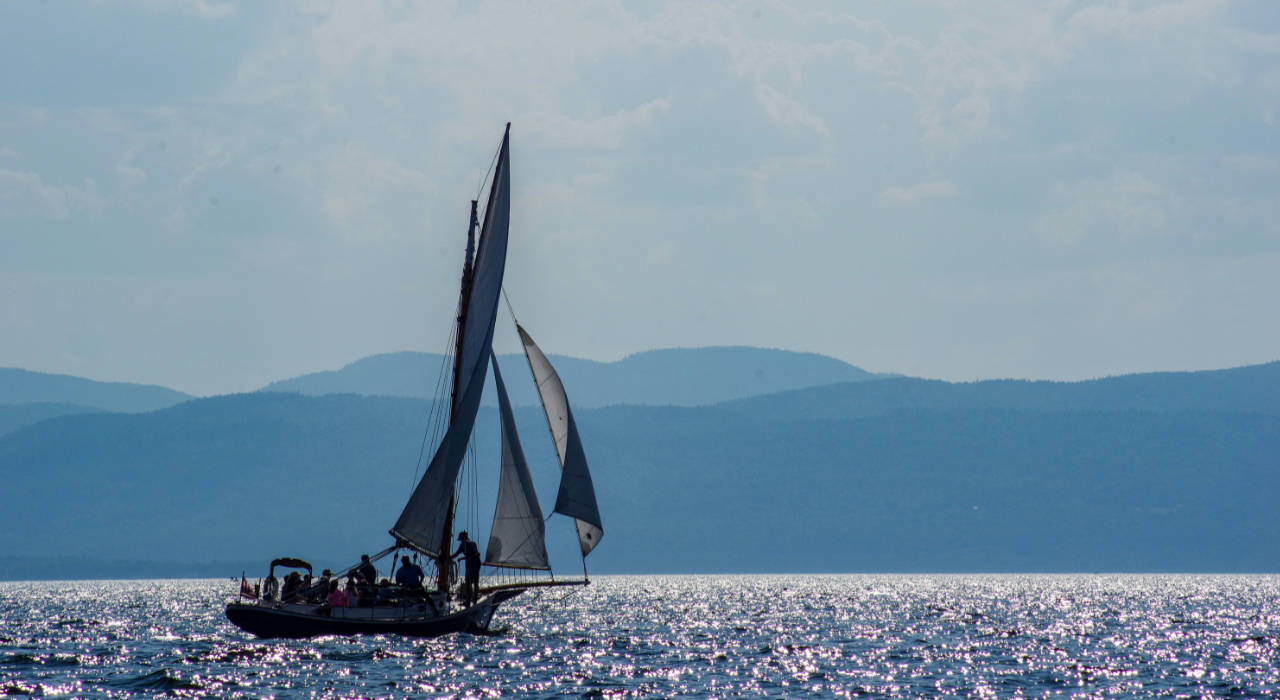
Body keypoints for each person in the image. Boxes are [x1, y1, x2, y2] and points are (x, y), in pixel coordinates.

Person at [452, 531, 481, 605]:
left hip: (471, 563)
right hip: (477, 562)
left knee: (468, 582)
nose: (460, 540)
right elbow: (473, 554)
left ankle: (468, 601)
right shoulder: (473, 543)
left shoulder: (463, 544)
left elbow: (457, 553)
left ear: (463, 537)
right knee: (475, 581)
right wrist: (462, 558)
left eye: (461, 538)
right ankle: (474, 599)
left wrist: (449, 558)